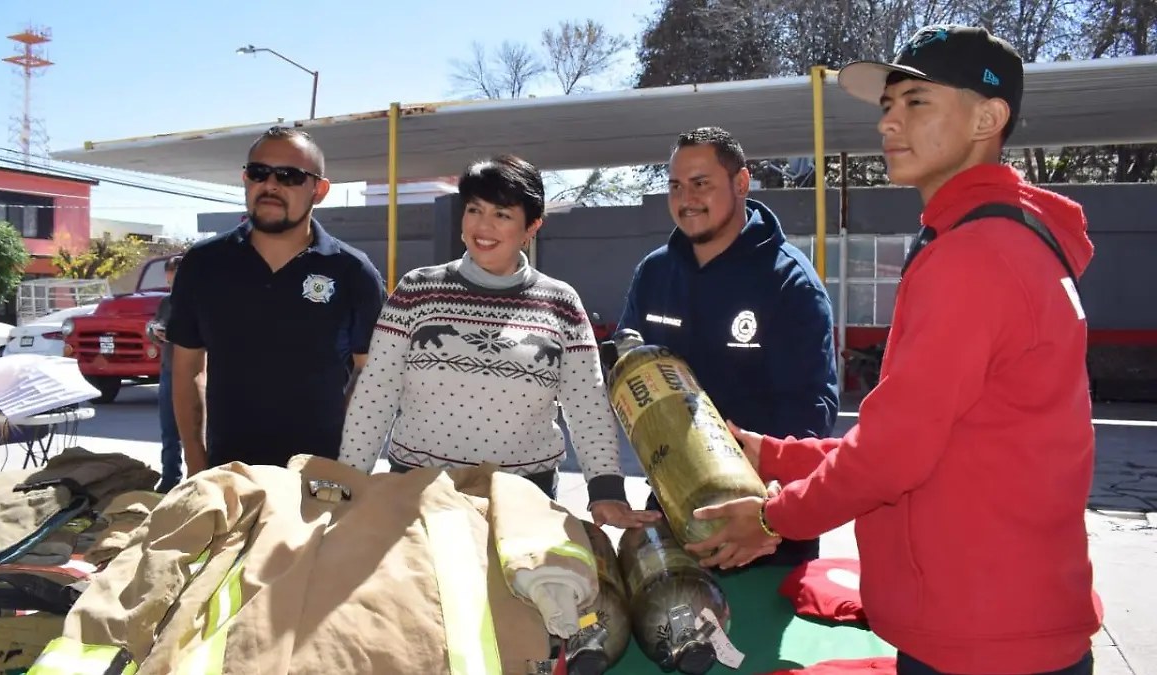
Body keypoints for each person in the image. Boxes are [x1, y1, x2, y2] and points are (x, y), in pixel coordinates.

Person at [686, 25, 1099, 675]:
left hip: (983, 637)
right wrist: (771, 453)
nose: (889, 123)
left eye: (917, 102)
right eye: (886, 105)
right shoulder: (1016, 242)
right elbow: (935, 441)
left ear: (988, 117)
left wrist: (769, 516)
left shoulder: (973, 256)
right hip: (1014, 619)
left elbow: (893, 453)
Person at [338, 155, 657, 529]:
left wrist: (606, 491)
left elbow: (587, 403)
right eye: (475, 209)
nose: (483, 225)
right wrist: (349, 483)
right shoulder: (416, 291)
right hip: (416, 499)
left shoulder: (561, 303)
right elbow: (376, 393)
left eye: (502, 214)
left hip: (522, 504)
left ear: (531, 227)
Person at [616, 126, 839, 564]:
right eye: (676, 186)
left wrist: (770, 510)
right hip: (671, 511)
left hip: (760, 523)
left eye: (701, 183)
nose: (686, 199)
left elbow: (811, 411)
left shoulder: (788, 282)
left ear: (741, 183)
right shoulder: (655, 274)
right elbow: (624, 363)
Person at [165, 126, 387, 475]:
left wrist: (344, 464)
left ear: (320, 190)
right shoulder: (203, 264)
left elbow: (371, 372)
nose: (271, 185)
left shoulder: (353, 272)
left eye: (290, 176)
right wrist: (196, 465)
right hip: (229, 477)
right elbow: (188, 367)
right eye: (259, 173)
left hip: (318, 484)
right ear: (245, 179)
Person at [148, 254, 183, 492]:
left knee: (201, 430)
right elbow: (154, 326)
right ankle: (170, 478)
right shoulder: (166, 302)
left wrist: (176, 335)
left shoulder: (204, 299)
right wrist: (154, 332)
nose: (173, 287)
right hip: (169, 370)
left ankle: (204, 477)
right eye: (170, 281)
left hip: (197, 372)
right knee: (169, 430)